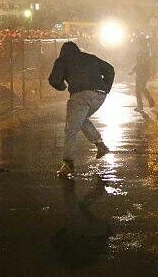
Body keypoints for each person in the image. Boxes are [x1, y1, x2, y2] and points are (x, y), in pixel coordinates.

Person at [48, 42, 114, 178]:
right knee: (80, 119)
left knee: (71, 130)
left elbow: (54, 80)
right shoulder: (90, 57)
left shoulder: (62, 60)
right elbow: (110, 69)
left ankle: (68, 164)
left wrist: (62, 87)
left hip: (80, 96)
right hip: (100, 95)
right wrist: (106, 88)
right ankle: (100, 144)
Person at [130, 38, 156, 112]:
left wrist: (133, 70)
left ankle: (141, 105)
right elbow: (139, 63)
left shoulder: (143, 52)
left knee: (138, 90)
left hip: (142, 73)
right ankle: (149, 100)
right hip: (143, 73)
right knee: (141, 88)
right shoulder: (145, 52)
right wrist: (133, 70)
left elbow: (140, 63)